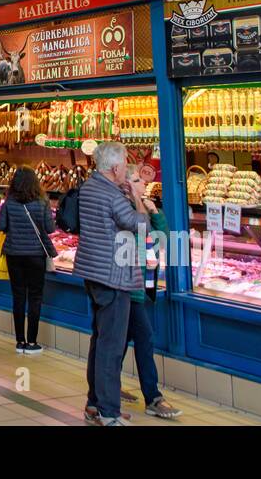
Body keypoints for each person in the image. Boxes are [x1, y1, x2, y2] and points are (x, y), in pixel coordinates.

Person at [73, 141, 149, 426]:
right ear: (116, 168)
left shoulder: (90, 186)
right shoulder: (113, 194)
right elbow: (141, 226)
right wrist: (138, 199)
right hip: (114, 274)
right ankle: (108, 412)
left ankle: (94, 405)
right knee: (111, 345)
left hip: (93, 272)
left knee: (100, 340)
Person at [119, 166, 181, 420]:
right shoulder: (123, 211)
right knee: (144, 338)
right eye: (136, 180)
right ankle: (153, 397)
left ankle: (107, 384)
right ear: (126, 185)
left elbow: (162, 240)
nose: (144, 183)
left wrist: (156, 212)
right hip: (129, 286)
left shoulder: (146, 209)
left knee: (120, 340)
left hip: (147, 284)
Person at [0, 166, 55, 354]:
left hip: (14, 254)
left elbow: (1, 226)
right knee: (35, 297)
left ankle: (19, 341)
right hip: (36, 255)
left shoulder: (9, 202)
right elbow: (50, 228)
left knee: (19, 296)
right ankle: (32, 342)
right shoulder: (42, 201)